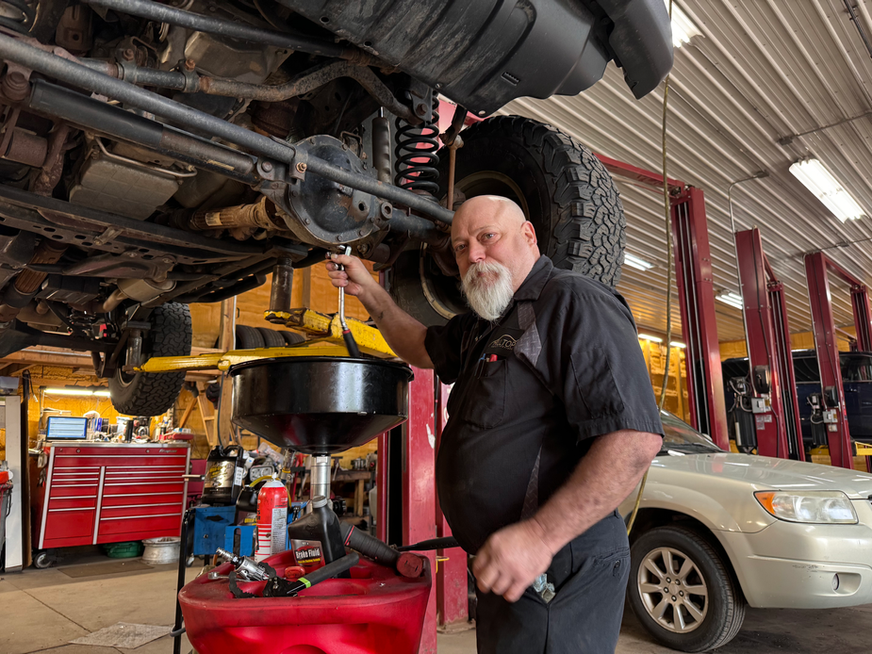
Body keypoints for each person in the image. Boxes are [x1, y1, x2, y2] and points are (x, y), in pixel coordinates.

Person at [327, 195, 664, 653]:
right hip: (510, 564)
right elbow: (420, 346)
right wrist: (367, 289)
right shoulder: (484, 322)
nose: (474, 255)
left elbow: (633, 440)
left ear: (528, 236)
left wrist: (540, 538)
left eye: (487, 237)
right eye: (462, 247)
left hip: (557, 566)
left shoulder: (571, 301)